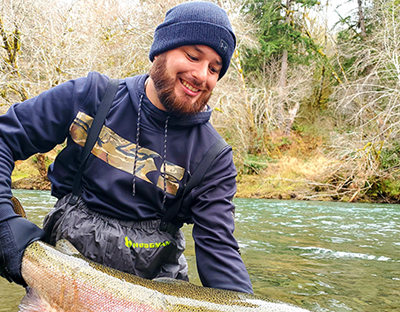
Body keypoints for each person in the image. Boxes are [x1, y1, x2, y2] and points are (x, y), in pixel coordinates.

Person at [0, 1, 253, 294]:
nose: (201, 75)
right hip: (63, 285)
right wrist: (5, 223)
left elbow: (220, 252)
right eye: (192, 56)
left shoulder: (213, 158)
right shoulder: (90, 97)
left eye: (214, 68)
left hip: (152, 304)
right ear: (160, 50)